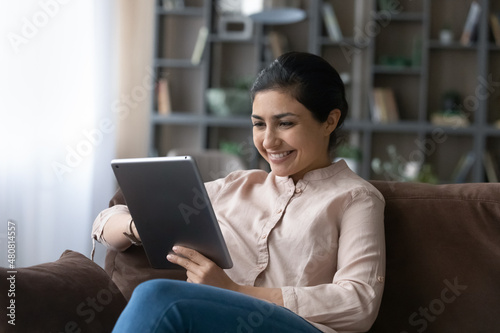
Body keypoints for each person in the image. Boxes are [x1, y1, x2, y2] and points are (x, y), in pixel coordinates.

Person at [92, 51, 386, 333]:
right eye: (259, 124)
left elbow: (359, 303)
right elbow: (106, 221)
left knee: (157, 296)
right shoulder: (236, 187)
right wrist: (139, 227)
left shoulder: (356, 198)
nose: (269, 141)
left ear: (329, 121)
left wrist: (235, 291)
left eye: (285, 123)